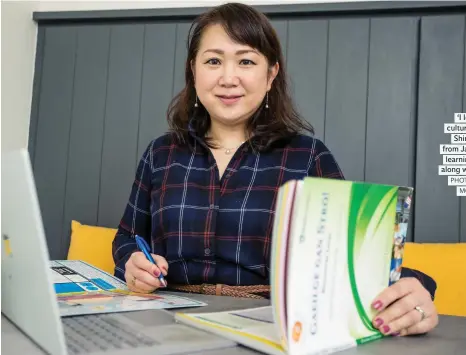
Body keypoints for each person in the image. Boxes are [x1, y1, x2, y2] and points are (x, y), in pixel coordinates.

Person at [112, 2, 438, 338]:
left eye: (246, 61)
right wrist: (132, 264)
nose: (228, 78)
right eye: (213, 61)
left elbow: (357, 263)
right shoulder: (161, 153)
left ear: (270, 75)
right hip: (166, 326)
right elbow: (126, 238)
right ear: (193, 71)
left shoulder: (308, 157)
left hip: (272, 328)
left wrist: (417, 288)